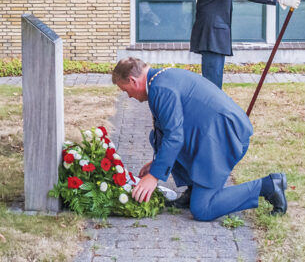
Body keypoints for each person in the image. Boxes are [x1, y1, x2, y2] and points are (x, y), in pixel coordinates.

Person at [112, 57, 288, 222]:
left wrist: (153, 176)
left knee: (203, 209)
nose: (128, 96)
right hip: (213, 135)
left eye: (125, 90)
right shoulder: (160, 79)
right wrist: (156, 163)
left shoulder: (160, 88)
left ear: (133, 81)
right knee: (156, 138)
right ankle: (193, 189)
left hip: (224, 139)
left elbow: (174, 136)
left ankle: (268, 186)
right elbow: (169, 133)